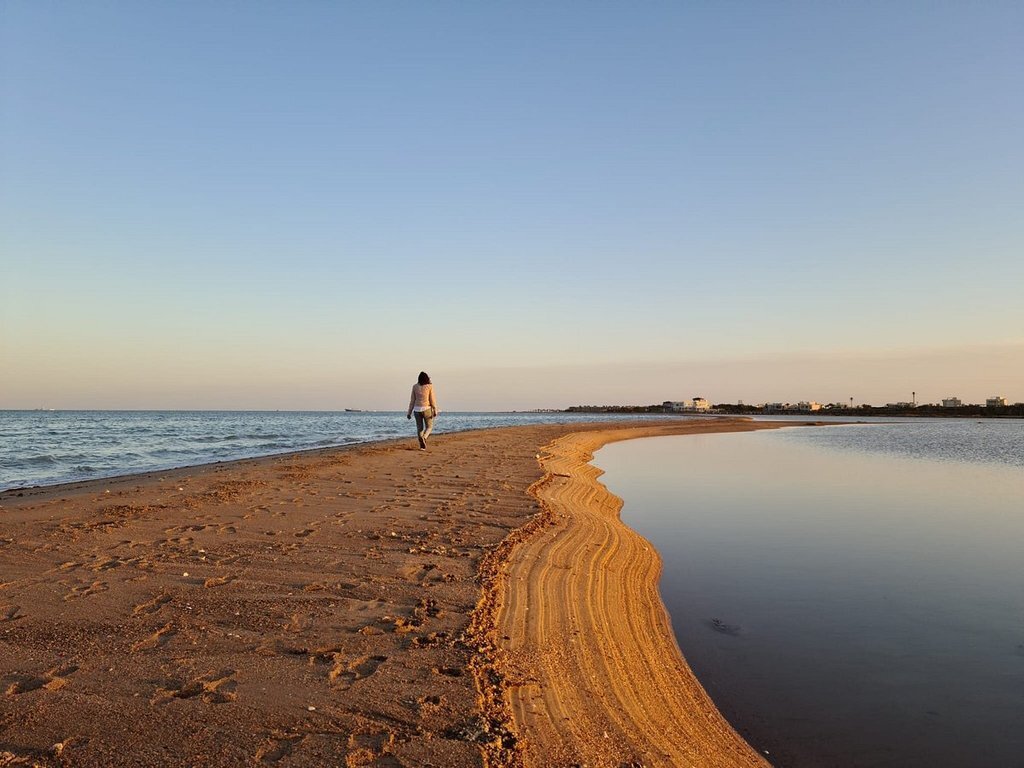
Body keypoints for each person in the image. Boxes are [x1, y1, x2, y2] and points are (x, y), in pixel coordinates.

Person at [406, 371, 439, 450]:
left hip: (417, 410)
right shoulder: (429, 386)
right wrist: (435, 409)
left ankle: (422, 445)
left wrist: (409, 412)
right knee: (429, 427)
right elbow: (432, 399)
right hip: (427, 409)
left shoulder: (414, 387)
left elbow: (412, 400)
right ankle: (424, 437)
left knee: (419, 428)